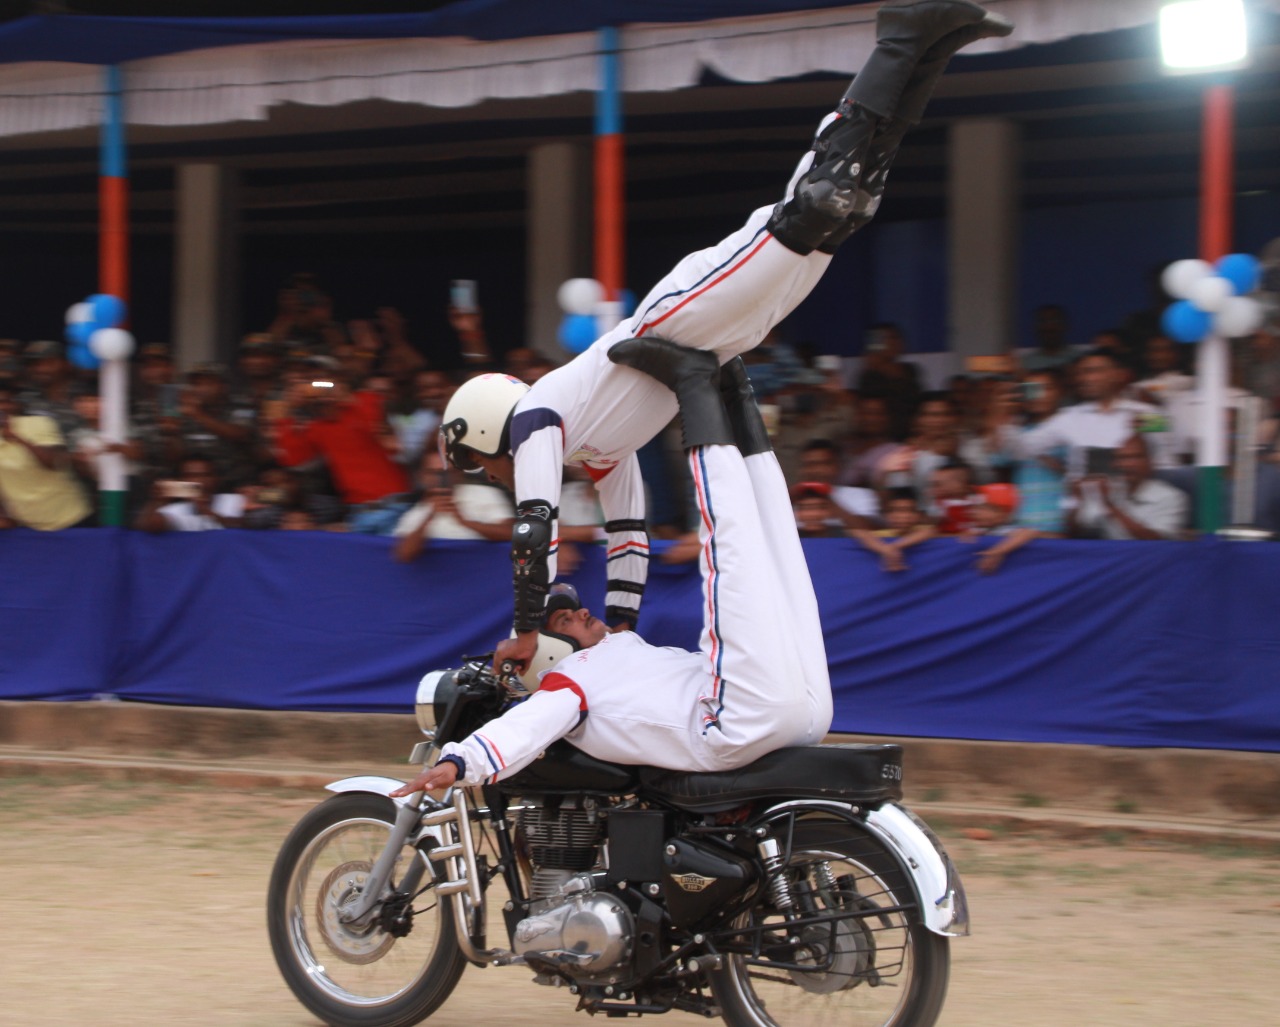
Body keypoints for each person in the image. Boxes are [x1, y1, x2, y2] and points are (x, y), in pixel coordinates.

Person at [436, 0, 1013, 673]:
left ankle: (901, 38)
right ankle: (932, 50)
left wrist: (526, 629)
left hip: (676, 317)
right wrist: (621, 628)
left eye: (483, 462)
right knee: (850, 208)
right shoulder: (598, 452)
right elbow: (629, 538)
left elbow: (535, 528)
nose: (494, 475)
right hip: (716, 341)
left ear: (486, 434)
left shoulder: (537, 422)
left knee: (820, 199)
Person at [392, 341, 837, 792]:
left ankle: (736, 393)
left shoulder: (620, 649)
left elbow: (628, 528)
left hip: (803, 710)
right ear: (549, 652)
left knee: (780, 545)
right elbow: (523, 727)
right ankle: (693, 386)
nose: (583, 611)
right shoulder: (567, 681)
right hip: (741, 716)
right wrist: (459, 761)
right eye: (566, 618)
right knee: (731, 547)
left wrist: (620, 618)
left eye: (573, 608)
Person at [0, 379, 92, 530]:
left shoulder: (39, 423)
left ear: (13, 403)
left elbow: (54, 462)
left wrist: (18, 439)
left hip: (70, 517)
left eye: (3, 401)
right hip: (28, 526)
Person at [1066, 433, 1187, 540]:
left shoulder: (1172, 497)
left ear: (1151, 462)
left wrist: (1109, 506)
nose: (1126, 464)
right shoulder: (1109, 490)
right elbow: (1076, 532)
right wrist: (1077, 500)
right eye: (1121, 458)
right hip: (1113, 558)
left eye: (1134, 457)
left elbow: (1153, 540)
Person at [849, 485, 935, 571]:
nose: (903, 516)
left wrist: (894, 547)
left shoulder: (923, 530)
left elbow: (931, 531)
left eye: (909, 510)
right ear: (886, 515)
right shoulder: (880, 536)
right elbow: (856, 531)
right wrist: (883, 548)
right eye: (896, 510)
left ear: (919, 515)